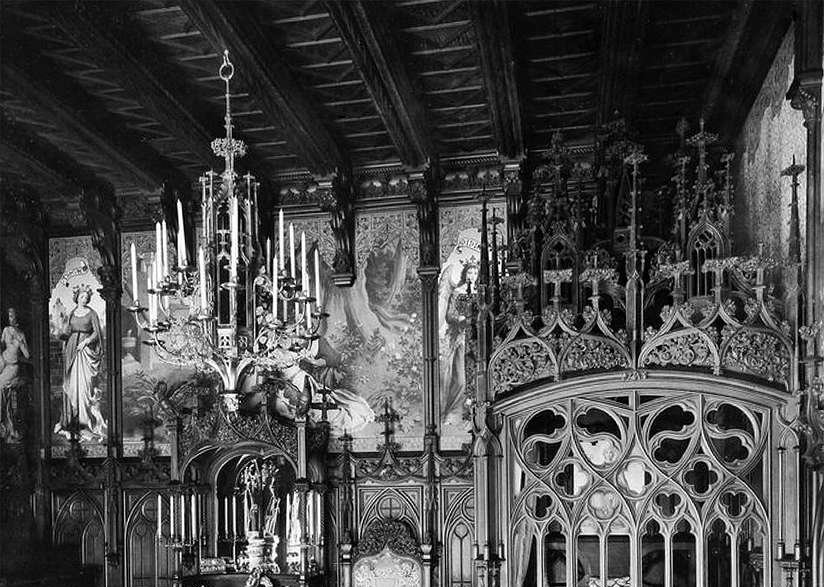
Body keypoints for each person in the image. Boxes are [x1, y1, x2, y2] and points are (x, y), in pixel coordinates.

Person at [54, 285, 107, 440]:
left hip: (85, 351)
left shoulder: (91, 314)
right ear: (76, 297)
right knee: (73, 385)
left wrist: (86, 341)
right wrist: (61, 327)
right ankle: (73, 419)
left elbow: (97, 332)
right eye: (81, 296)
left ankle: (85, 421)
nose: (83, 299)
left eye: (86, 297)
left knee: (85, 386)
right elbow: (66, 332)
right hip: (72, 350)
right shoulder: (71, 313)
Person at [439, 262, 478, 420]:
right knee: (461, 378)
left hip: (478, 338)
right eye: (469, 273)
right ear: (465, 274)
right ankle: (454, 412)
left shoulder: (482, 292)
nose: (472, 276)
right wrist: (460, 318)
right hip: (461, 337)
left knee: (477, 376)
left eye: (475, 273)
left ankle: (473, 413)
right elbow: (449, 316)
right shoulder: (457, 291)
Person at [0, 308, 30, 442]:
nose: (10, 317)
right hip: (2, 361)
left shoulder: (21, 334)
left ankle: (7, 426)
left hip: (12, 367)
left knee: (1, 388)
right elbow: (1, 345)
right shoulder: (6, 330)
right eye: (9, 315)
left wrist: (21, 342)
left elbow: (27, 355)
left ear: (17, 317)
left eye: (13, 315)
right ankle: (6, 426)